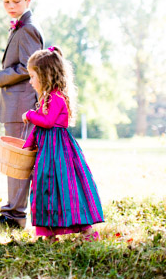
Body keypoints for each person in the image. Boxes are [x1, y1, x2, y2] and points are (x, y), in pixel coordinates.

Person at [21, 46, 104, 240]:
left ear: (46, 76)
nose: (30, 81)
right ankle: (49, 233)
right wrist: (28, 145)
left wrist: (30, 115)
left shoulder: (56, 98)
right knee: (45, 187)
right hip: (47, 152)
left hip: (59, 153)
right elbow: (40, 127)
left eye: (33, 76)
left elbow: (47, 122)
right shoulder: (46, 99)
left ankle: (87, 231)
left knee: (67, 187)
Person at [0, 0, 44, 229]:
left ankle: (14, 216)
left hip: (23, 106)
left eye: (16, 1)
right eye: (6, 1)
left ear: (28, 0)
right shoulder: (19, 26)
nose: (11, 6)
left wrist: (0, 78)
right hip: (15, 105)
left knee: (18, 161)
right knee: (14, 161)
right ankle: (13, 212)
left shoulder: (29, 28)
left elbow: (29, 67)